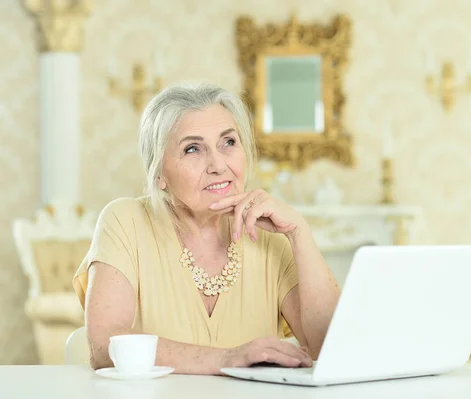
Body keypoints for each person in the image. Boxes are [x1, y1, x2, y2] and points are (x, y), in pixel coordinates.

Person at [72, 83, 340, 375]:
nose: (218, 165)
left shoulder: (271, 238)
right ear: (159, 173)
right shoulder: (126, 221)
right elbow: (106, 347)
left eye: (228, 143)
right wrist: (226, 359)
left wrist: (299, 233)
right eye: (192, 149)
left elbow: (332, 350)